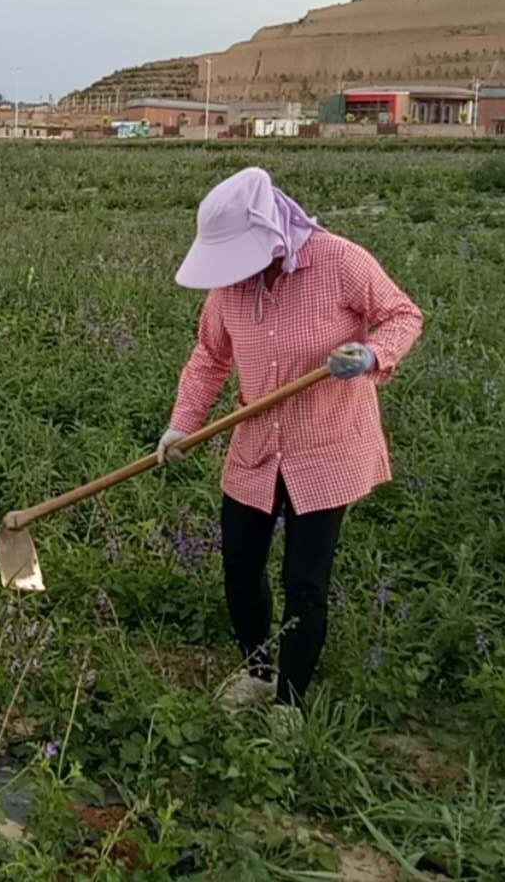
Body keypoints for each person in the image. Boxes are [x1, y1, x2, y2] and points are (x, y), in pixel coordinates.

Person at [160, 167, 422, 709]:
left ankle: (291, 700)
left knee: (305, 580)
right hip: (256, 444)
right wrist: (183, 423)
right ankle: (257, 671)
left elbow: (402, 314)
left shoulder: (340, 261)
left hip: (327, 445)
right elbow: (210, 358)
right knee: (240, 564)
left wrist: (373, 353)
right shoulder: (230, 290)